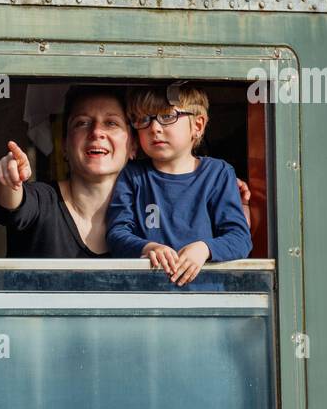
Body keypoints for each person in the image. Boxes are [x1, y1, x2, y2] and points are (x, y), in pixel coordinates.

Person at [106, 83, 252, 285]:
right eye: (143, 120)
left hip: (205, 304)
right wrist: (147, 247)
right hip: (146, 300)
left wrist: (204, 248)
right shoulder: (133, 176)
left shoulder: (218, 174)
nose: (154, 128)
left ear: (198, 126)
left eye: (167, 117)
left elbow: (240, 238)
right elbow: (117, 233)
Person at [0, 86, 134, 257]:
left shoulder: (145, 212)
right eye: (82, 123)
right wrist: (10, 179)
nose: (96, 132)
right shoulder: (42, 200)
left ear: (133, 146)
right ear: (64, 145)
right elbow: (12, 205)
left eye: (111, 123)